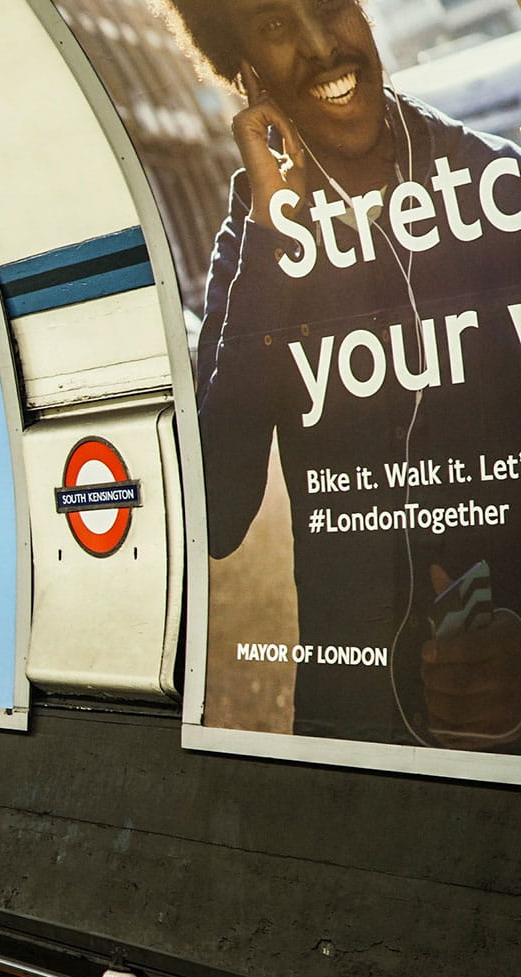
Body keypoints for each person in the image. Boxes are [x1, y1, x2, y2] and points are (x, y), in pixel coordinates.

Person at [160, 0, 521, 748]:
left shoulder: (492, 184)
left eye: (330, 5)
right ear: (243, 70)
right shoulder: (253, 237)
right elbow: (215, 514)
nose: (323, 47)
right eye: (274, 25)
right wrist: (272, 235)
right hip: (352, 730)